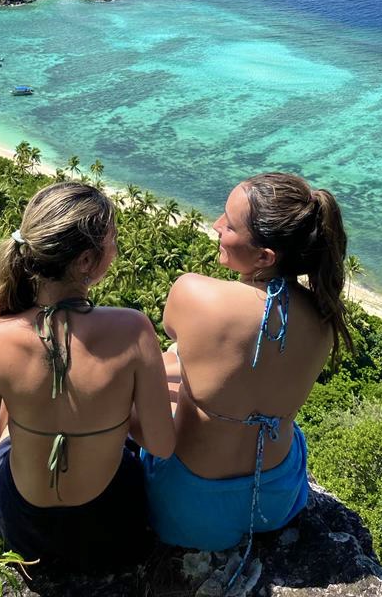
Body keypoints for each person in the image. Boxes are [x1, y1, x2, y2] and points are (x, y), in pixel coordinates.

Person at [0, 181, 175, 572]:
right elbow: (160, 444)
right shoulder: (133, 329)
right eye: (113, 242)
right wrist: (115, 411)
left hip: (22, 528)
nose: (117, 249)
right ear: (87, 263)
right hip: (110, 528)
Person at [141, 172, 351, 566]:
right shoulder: (324, 318)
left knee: (173, 358)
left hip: (187, 513)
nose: (217, 226)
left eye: (229, 223)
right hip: (278, 498)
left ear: (264, 257)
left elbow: (182, 341)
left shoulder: (193, 292)